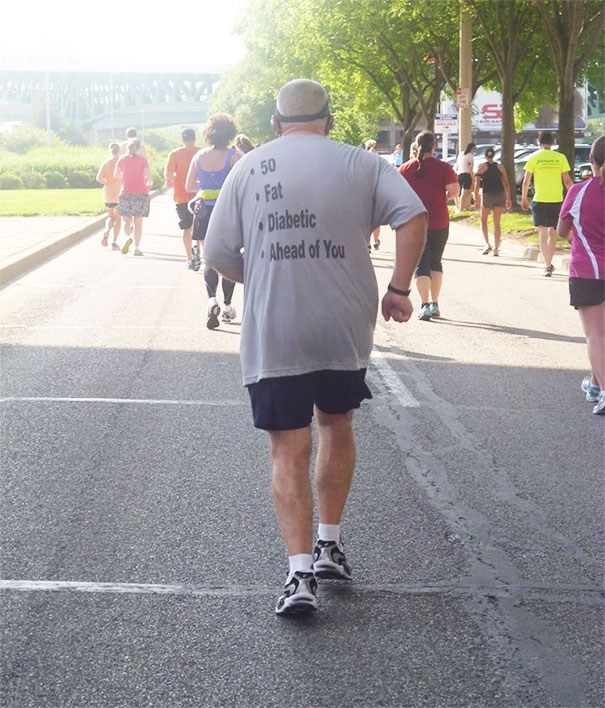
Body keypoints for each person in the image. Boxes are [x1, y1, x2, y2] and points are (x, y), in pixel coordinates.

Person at [203, 79, 427, 615]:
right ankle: (330, 542)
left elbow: (215, 250)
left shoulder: (248, 166)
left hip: (276, 326)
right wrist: (399, 288)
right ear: (328, 120)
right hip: (343, 322)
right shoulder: (361, 162)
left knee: (287, 447)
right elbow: (413, 216)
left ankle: (299, 575)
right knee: (336, 424)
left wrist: (259, 278)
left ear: (277, 125)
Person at [557, 135, 605, 415]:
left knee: (596, 335)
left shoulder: (579, 192)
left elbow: (562, 231)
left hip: (587, 271)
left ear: (592, 160)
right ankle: (595, 385)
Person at [185, 113, 242, 328]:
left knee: (210, 257)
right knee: (229, 256)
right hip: (227, 211)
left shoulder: (199, 157)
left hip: (203, 212)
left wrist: (205, 184)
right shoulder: (234, 157)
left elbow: (189, 186)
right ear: (230, 133)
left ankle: (211, 299)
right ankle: (227, 305)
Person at [399, 130, 459, 321]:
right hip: (439, 221)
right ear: (435, 147)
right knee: (436, 262)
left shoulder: (405, 168)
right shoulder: (443, 167)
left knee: (421, 264)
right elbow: (454, 191)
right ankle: (435, 303)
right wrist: (441, 197)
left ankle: (424, 305)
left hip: (414, 223)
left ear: (416, 146)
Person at [521, 131, 573, 276]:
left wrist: (524, 199)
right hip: (557, 200)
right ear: (553, 142)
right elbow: (567, 181)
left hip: (540, 200)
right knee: (553, 233)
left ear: (539, 142)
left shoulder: (534, 158)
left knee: (542, 233)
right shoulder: (560, 158)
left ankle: (547, 265)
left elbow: (526, 181)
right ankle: (549, 262)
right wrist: (574, 197)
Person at [164, 128, 199, 269]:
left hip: (181, 196)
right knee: (201, 228)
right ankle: (200, 254)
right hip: (200, 195)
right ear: (195, 139)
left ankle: (190, 258)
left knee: (186, 228)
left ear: (182, 140)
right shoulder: (201, 152)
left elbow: (168, 174)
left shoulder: (175, 154)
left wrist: (175, 180)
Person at [114, 139, 153, 256]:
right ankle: (136, 248)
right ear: (138, 149)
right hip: (141, 193)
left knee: (126, 221)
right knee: (138, 222)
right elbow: (149, 177)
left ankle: (127, 237)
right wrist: (148, 184)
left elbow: (116, 175)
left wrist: (125, 177)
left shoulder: (122, 159)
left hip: (126, 192)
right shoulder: (143, 160)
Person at [473, 146, 512, 256]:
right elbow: (506, 183)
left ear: (485, 156)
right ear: (494, 155)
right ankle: (496, 249)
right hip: (499, 194)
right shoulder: (500, 167)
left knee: (483, 220)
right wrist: (508, 198)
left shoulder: (481, 167)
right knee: (497, 222)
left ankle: (487, 243)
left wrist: (476, 198)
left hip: (487, 195)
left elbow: (477, 184)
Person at [96, 142, 122, 250]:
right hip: (120, 193)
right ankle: (114, 242)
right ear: (119, 150)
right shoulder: (121, 162)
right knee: (118, 220)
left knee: (111, 217)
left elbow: (98, 178)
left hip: (108, 194)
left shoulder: (106, 163)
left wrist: (106, 182)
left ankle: (107, 230)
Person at [364, 139, 381, 250]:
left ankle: (368, 243)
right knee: (376, 220)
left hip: (364, 193)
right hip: (376, 192)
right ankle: (376, 240)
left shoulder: (361, 160)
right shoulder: (379, 160)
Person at [455, 142, 475, 211]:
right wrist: (472, 176)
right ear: (472, 148)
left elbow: (457, 164)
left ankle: (466, 206)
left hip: (459, 173)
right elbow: (470, 166)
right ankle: (461, 208)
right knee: (465, 191)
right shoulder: (470, 155)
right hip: (466, 174)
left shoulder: (461, 154)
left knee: (463, 191)